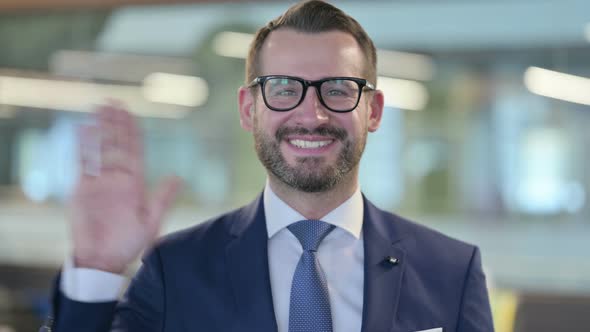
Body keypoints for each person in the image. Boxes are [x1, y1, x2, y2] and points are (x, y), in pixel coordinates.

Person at [43, 1, 494, 331]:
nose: (311, 114)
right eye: (283, 88)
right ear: (248, 109)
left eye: (337, 89)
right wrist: (97, 268)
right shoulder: (175, 270)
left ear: (373, 111)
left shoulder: (451, 272)